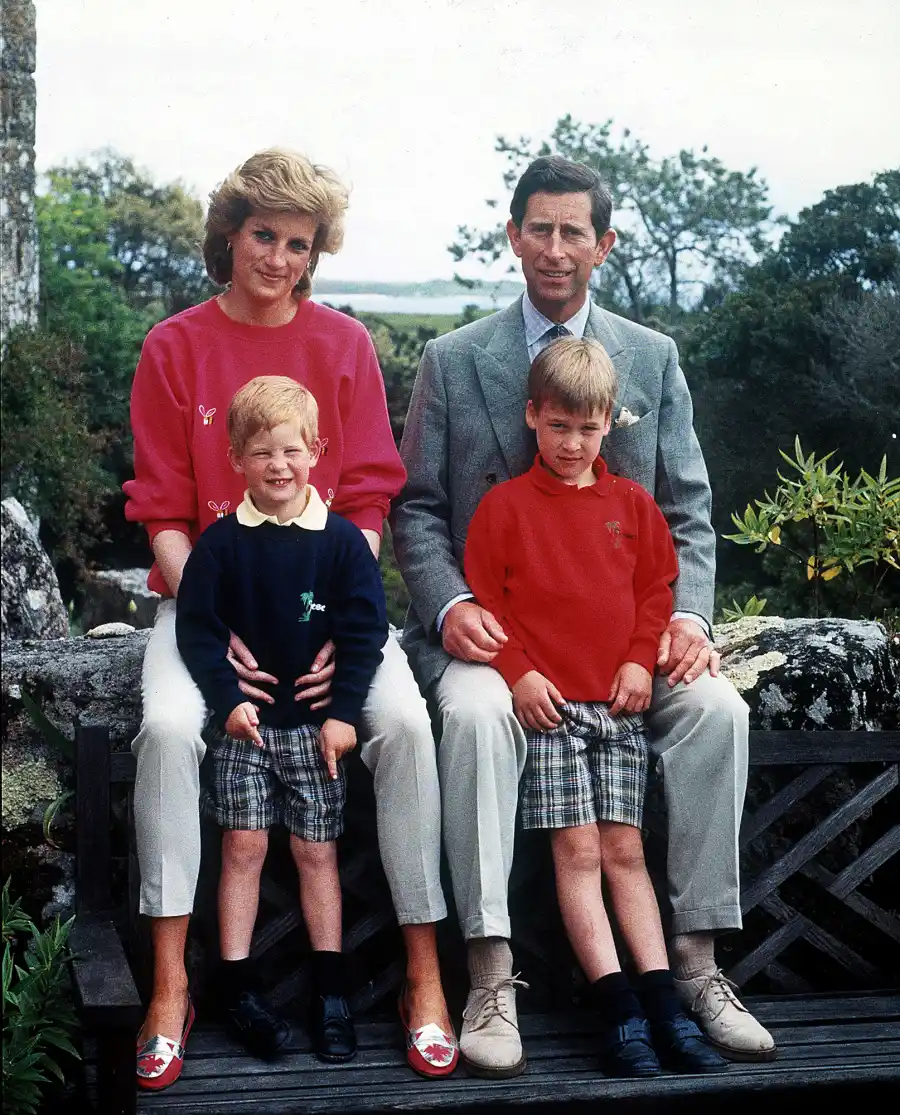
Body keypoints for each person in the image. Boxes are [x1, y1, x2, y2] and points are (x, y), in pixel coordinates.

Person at [392, 154, 777, 1068]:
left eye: (574, 232)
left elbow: (684, 509)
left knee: (717, 709)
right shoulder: (454, 360)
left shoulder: (651, 357)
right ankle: (490, 974)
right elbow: (414, 508)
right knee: (479, 715)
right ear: (514, 234)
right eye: (539, 228)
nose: (555, 249)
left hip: (627, 648)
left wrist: (687, 619)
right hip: (498, 642)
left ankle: (693, 964)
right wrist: (447, 604)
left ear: (603, 244)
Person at [125, 149, 458, 1091]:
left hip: (327, 611)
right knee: (164, 729)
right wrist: (212, 611)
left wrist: (327, 634)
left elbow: (365, 503)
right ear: (229, 235)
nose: (278, 257)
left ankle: (424, 977)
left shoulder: (344, 346)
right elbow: (161, 511)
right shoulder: (173, 345)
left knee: (403, 722)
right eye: (262, 235)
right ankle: (169, 987)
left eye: (298, 244)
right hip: (206, 606)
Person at [464, 337, 727, 1076]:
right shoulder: (504, 508)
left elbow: (656, 593)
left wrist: (642, 658)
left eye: (587, 428)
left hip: (617, 706)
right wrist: (517, 674)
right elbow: (486, 607)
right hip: (550, 711)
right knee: (577, 853)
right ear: (532, 418)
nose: (572, 443)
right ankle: (618, 1011)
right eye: (557, 427)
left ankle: (664, 1005)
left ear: (610, 422)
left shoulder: (632, 507)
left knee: (625, 853)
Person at [175, 376, 387, 1063]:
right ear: (235, 456)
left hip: (316, 729)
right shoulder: (220, 545)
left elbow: (365, 633)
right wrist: (226, 699)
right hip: (248, 727)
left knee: (317, 852)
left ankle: (331, 990)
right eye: (262, 451)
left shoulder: (342, 544)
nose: (278, 465)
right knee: (242, 847)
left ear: (318, 451)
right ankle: (236, 986)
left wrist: (346, 714)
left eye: (293, 450)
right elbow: (201, 633)